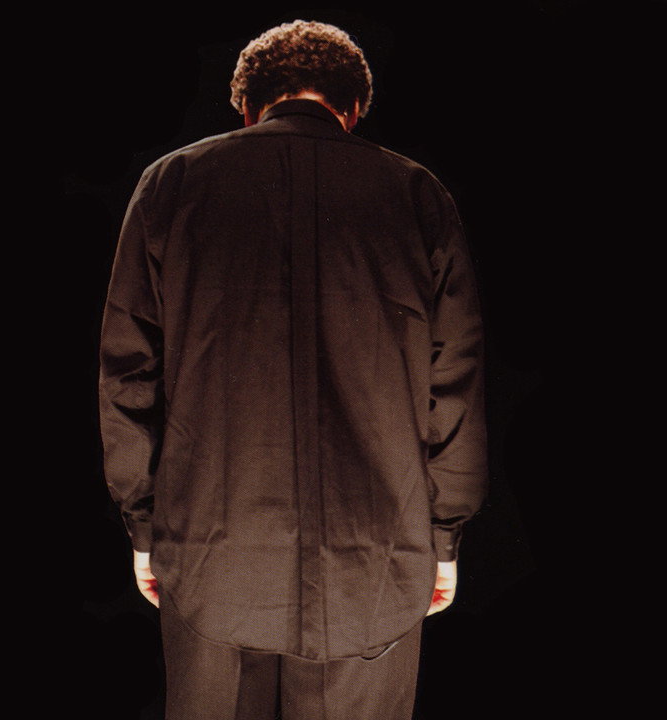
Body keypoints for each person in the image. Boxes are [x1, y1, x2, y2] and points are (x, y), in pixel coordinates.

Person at [99, 19, 488, 720]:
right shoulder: (417, 195)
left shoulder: (172, 184)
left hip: (209, 554)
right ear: (353, 108)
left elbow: (128, 373)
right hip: (377, 559)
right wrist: (443, 540)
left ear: (247, 107)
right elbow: (454, 382)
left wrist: (144, 528)